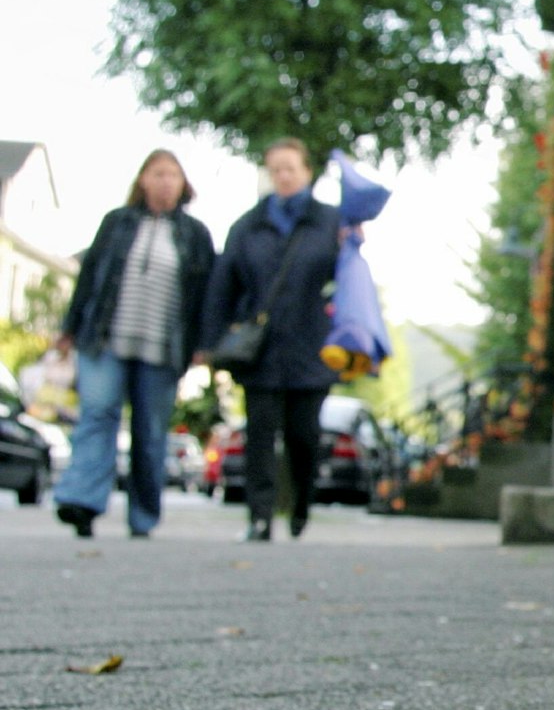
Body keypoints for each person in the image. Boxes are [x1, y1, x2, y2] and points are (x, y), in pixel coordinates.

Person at [51, 149, 215, 538]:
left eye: (172, 175)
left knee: (150, 431)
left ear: (183, 184)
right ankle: (82, 502)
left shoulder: (195, 234)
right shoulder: (117, 223)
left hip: (162, 348)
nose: (164, 181)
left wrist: (203, 344)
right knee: (98, 414)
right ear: (142, 180)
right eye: (157, 173)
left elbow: (206, 296)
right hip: (105, 339)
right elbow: (89, 277)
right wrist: (69, 327)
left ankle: (142, 517)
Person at [199, 137, 340, 541]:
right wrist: (212, 342)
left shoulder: (330, 223)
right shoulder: (247, 226)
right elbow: (222, 286)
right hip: (259, 351)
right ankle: (259, 517)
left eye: (290, 168)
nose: (282, 176)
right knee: (259, 434)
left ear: (306, 173)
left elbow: (348, 282)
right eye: (275, 168)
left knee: (303, 435)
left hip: (312, 347)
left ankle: (301, 504)